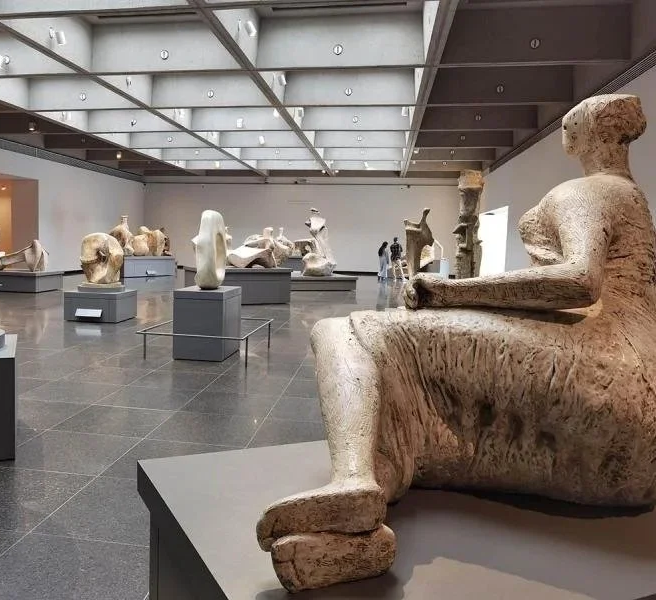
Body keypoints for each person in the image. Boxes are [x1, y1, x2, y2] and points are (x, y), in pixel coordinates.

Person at [257, 94, 656, 591]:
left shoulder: (587, 192)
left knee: (348, 331)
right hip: (640, 447)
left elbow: (577, 282)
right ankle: (356, 538)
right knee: (412, 405)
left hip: (604, 375)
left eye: (567, 125)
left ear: (579, 133)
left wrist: (448, 291)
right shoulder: (631, 196)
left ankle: (353, 479)